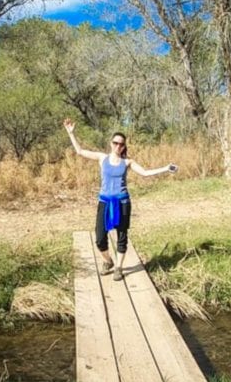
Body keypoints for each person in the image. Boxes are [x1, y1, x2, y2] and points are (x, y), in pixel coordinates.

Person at [64, 118, 177, 281]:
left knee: (121, 235)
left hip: (122, 202)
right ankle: (108, 261)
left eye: (121, 144)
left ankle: (119, 267)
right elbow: (80, 151)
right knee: (100, 237)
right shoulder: (102, 158)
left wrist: (165, 168)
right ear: (111, 143)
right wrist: (71, 133)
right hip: (105, 202)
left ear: (124, 146)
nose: (118, 146)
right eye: (115, 143)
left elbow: (145, 173)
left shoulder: (127, 162)